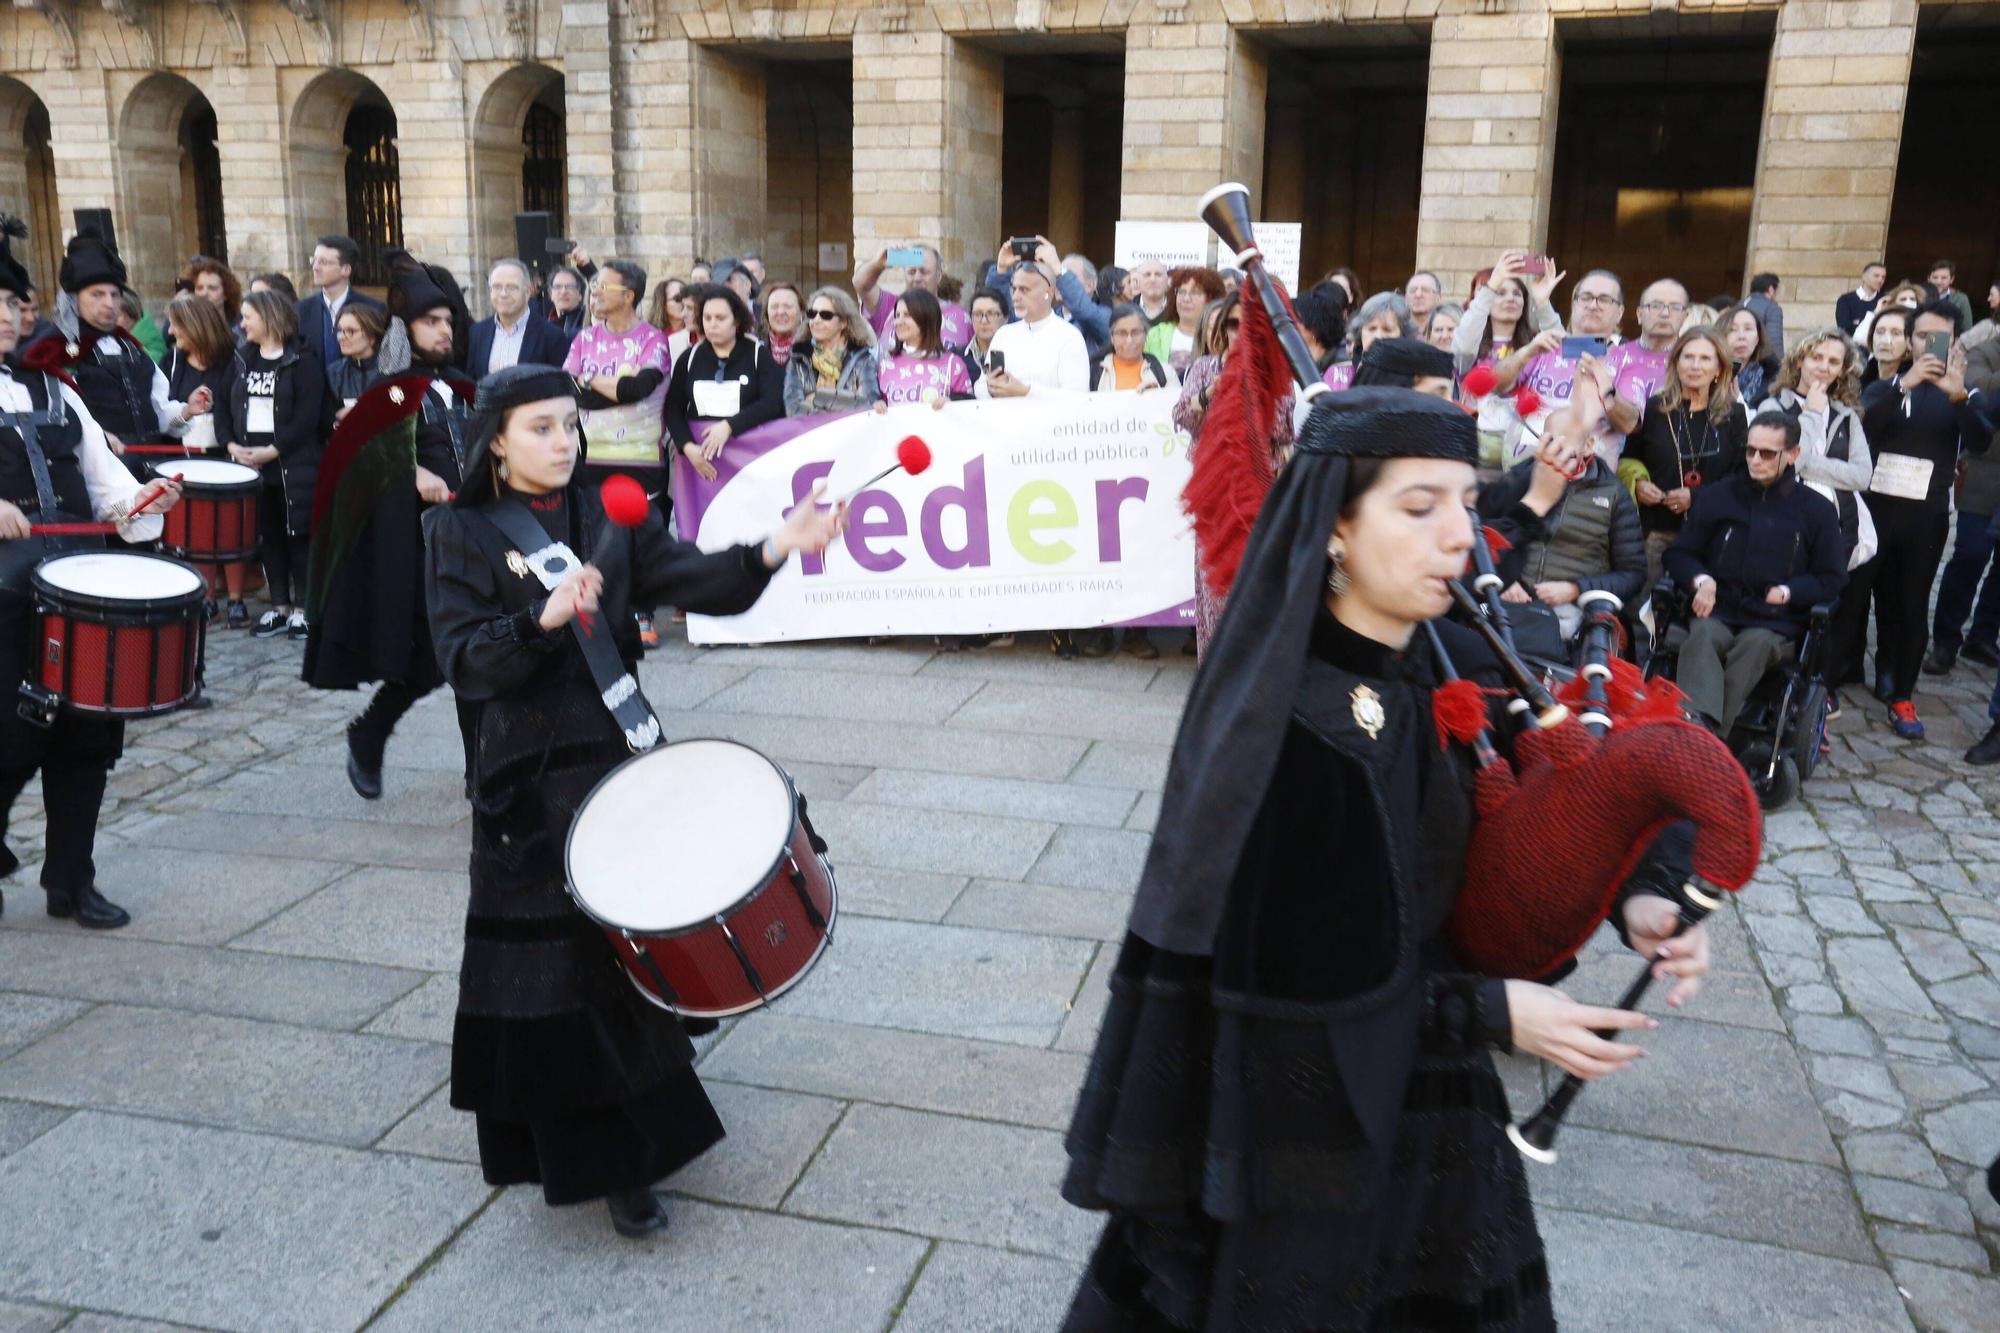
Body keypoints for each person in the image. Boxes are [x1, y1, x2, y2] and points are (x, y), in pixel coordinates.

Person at [1062, 386, 1706, 1331]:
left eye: (1464, 500)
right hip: (1308, 1137)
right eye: (1419, 507)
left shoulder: (1428, 658)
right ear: (1333, 530)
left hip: (1418, 1105)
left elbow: (1528, 807)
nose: (1463, 535)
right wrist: (1494, 1010)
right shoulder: (1290, 721)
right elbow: (1286, 984)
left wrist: (1640, 896)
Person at [424, 362, 846, 1239]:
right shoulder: (455, 532)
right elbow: (464, 660)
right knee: (549, 972)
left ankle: (637, 1140)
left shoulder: (604, 515)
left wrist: (779, 542)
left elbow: (701, 581)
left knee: (623, 955)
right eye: (540, 428)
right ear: (495, 439)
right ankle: (605, 1167)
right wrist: (538, 619)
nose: (562, 442)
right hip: (523, 781)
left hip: (617, 759)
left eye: (569, 426)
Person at [0, 220, 182, 929]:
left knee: (87, 735)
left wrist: (143, 500)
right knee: (12, 735)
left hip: (77, 586)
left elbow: (105, 485)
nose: (8, 317)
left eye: (13, 304)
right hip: (4, 597)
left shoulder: (55, 387)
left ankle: (71, 880)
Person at [306, 248, 476, 798]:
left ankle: (484, 776)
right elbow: (356, 457)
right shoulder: (392, 391)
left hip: (472, 539)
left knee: (481, 658)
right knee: (430, 662)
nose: (444, 329)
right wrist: (413, 470)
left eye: (448, 320)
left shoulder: (459, 383)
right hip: (420, 547)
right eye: (432, 322)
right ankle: (371, 731)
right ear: (406, 329)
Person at [1853, 301, 1993, 738]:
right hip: (1874, 511)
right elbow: (1866, 429)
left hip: (1926, 516)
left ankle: (1901, 690)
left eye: (1942, 339)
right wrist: (1904, 385)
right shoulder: (1884, 385)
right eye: (1924, 337)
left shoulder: (1960, 391)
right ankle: (1836, 676)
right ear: (1911, 341)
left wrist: (1957, 393)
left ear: (1954, 344)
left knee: (1911, 604)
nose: (1931, 345)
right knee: (1858, 596)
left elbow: (1981, 440)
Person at [1664, 411, 1847, 735]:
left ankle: (1707, 738)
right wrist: (1701, 580)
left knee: (1755, 645)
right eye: (1750, 450)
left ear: (1792, 455)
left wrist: (1790, 591)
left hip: (1775, 619)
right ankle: (1697, 730)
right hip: (1719, 608)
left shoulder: (1816, 510)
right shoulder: (1720, 496)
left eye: (1767, 453)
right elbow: (1679, 553)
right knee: (1702, 635)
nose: (1755, 460)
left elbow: (1832, 577)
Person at [1757, 329, 1874, 701]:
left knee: (1830, 602)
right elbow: (1787, 463)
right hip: (1784, 521)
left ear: (1842, 370)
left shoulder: (1847, 417)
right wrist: (1809, 415)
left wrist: (1808, 465)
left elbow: (1862, 475)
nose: (1823, 367)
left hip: (1839, 524)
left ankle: (1820, 687)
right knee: (1786, 597)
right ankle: (1774, 679)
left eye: (1833, 361)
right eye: (1816, 357)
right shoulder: (1774, 407)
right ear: (1799, 361)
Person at [1175, 293, 1294, 654]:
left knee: (1255, 590)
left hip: (1259, 495)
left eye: (1247, 325)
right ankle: (1214, 675)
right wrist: (1219, 388)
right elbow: (1184, 416)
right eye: (1231, 323)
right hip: (1215, 495)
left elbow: (1281, 431)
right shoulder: (1205, 369)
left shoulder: (1277, 373)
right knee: (1213, 592)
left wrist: (1251, 384)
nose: (1239, 331)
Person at [564, 259, 673, 638]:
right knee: (597, 538)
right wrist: (608, 388)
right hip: (591, 455)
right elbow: (571, 392)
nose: (595, 293)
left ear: (628, 296)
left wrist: (591, 380)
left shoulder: (652, 340)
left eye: (603, 287)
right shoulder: (584, 339)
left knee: (639, 535)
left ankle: (643, 613)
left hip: (640, 458)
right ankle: (607, 613)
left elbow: (638, 389)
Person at [24, 233, 191, 462]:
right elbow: (55, 419)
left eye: (114, 294)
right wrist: (97, 435)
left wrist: (186, 411)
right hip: (101, 469)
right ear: (74, 299)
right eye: (97, 295)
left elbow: (159, 411)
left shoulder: (129, 345)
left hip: (155, 467)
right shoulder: (54, 349)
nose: (109, 303)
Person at [226, 289, 325, 640]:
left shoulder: (303, 359)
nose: (242, 324)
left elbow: (308, 415)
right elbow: (226, 404)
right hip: (254, 466)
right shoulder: (241, 358)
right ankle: (280, 606)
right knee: (269, 537)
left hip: (293, 464)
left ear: (268, 318)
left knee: (298, 535)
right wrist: (231, 443)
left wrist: (275, 449)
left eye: (247, 317)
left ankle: (304, 608)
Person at [1622, 325, 1748, 588]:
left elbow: (1741, 475)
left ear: (1719, 368)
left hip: (1710, 534)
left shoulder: (1734, 414)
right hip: (1655, 532)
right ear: (1676, 363)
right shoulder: (1654, 408)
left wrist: (1697, 496)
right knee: (1647, 615)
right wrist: (1639, 484)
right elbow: (1628, 458)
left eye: (1705, 359)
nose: (1695, 366)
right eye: (1688, 357)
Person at [161, 292, 248, 626]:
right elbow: (163, 405)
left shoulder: (232, 360)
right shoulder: (171, 361)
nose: (171, 331)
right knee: (200, 530)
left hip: (226, 453)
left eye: (177, 325)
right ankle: (208, 599)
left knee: (230, 528)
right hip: (186, 458)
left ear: (195, 327)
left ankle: (237, 600)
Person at [1453, 251, 1566, 470]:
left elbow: (1562, 351)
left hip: (1527, 452)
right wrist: (1491, 285)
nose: (1510, 298)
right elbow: (1465, 339)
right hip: (1477, 453)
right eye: (1501, 293)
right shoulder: (1471, 345)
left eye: (1517, 294)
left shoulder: (1536, 344)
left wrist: (1543, 303)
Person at [664, 282, 785, 484]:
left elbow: (771, 403)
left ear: (736, 320)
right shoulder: (689, 358)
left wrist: (729, 426)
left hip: (747, 459)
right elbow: (672, 408)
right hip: (698, 460)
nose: (712, 324)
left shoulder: (757, 354)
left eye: (720, 318)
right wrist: (687, 447)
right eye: (707, 318)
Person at [1601, 278, 1690, 454]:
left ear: (1685, 317)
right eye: (1655, 306)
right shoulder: (1614, 356)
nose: (1665, 313)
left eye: (1675, 307)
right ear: (1639, 314)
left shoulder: (1695, 361)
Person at [975, 262, 1089, 398]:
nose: (1015, 297)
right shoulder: (1003, 334)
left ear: (1048, 293)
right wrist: (992, 387)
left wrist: (1027, 392)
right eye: (1014, 289)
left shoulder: (1069, 337)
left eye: (1024, 290)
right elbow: (980, 387)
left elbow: (1078, 397)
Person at [854, 244, 970, 351]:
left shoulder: (961, 317)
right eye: (912, 272)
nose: (917, 278)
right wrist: (878, 264)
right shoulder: (891, 306)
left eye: (924, 272)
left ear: (938, 276)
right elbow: (861, 284)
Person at [784, 286, 879, 417]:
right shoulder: (798, 356)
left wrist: (817, 398)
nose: (816, 320)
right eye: (812, 313)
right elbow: (793, 409)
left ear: (844, 323)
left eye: (825, 315)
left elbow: (868, 404)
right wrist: (847, 400)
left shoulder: (863, 358)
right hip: (809, 433)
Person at [298, 234, 387, 374]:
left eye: (324, 262)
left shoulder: (374, 309)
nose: (315, 267)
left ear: (346, 269)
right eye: (314, 260)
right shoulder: (300, 310)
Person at [469, 258, 571, 378]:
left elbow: (560, 384)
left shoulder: (552, 336)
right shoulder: (477, 332)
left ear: (528, 291)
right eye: (496, 287)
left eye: (511, 287)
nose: (503, 294)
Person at [874, 288, 974, 409]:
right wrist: (878, 405)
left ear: (927, 318)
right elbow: (879, 408)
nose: (898, 322)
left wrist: (952, 401)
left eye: (907, 315)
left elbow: (969, 408)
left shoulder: (952, 365)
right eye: (897, 315)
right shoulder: (886, 366)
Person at [1324, 291, 1416, 391]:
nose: (1378, 336)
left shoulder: (1415, 378)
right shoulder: (1336, 375)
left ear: (1403, 335)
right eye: (1372, 329)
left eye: (1387, 330)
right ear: (1360, 332)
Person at [1144, 266, 1225, 376]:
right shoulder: (1155, 334)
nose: (1186, 299)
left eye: (1195, 292)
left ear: (1211, 298)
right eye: (1181, 292)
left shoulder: (1220, 336)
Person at [328, 302, 402, 413]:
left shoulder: (394, 371)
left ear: (372, 335)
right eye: (339, 330)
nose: (341, 337)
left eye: (350, 331)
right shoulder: (334, 373)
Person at [1092, 303, 1178, 395]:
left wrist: (1158, 394)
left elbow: (1179, 406)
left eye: (1135, 332)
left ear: (1146, 335)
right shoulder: (1094, 373)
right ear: (1112, 337)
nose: (1129, 340)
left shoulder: (1165, 373)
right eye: (1122, 333)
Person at [1718, 302, 1779, 408]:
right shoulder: (1710, 374)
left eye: (1748, 329)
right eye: (1732, 329)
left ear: (1757, 338)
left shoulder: (1774, 380)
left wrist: (1738, 402)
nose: (1741, 336)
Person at [1856, 281, 1926, 354]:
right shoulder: (1884, 320)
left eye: (1912, 299)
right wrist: (1877, 311)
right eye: (1903, 299)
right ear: (1894, 303)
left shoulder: (1922, 322)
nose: (1908, 301)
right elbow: (1859, 338)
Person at [185, 256, 242, 334]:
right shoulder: (184, 326)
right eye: (199, 288)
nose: (204, 293)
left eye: (212, 288)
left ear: (226, 293)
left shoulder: (241, 327)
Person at [962, 286, 1007, 383]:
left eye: (991, 314)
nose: (984, 320)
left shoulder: (1016, 354)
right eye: (977, 314)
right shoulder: (957, 356)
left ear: (1005, 318)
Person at [1836, 262, 1887, 337]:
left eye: (1883, 277)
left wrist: (1858, 324)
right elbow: (1844, 329)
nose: (1880, 280)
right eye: (1876, 276)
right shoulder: (1845, 300)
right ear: (1864, 277)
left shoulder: (1885, 300)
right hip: (1851, 346)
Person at [762, 281, 803, 367]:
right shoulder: (755, 350)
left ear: (801, 313)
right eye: (774, 306)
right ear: (767, 313)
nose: (780, 312)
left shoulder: (815, 352)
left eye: (788, 306)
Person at [1743, 273, 1785, 355]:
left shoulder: (1738, 304)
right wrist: (1779, 364)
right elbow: (1774, 340)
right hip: (1759, 361)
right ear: (1771, 289)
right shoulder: (1772, 308)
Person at [1929, 259, 1974, 334]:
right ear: (1929, 278)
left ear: (1951, 279)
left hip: (1949, 341)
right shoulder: (1921, 296)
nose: (1938, 281)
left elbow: (1967, 329)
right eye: (1935, 277)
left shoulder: (1961, 299)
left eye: (1944, 278)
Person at [546, 264, 589, 339]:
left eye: (570, 287)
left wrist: (587, 266)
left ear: (580, 295)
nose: (563, 291)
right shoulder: (544, 326)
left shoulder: (588, 321)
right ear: (550, 294)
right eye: (557, 287)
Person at [1131, 259, 1171, 325]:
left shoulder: (1179, 310)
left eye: (1158, 274)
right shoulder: (1126, 311)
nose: (1153, 280)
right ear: (1137, 282)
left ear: (1167, 281)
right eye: (1147, 275)